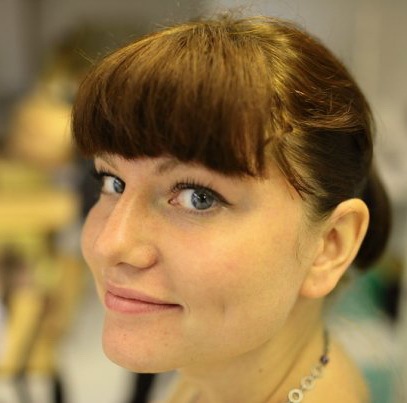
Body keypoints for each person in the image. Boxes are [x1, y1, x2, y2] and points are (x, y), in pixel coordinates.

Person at [71, 14, 391, 403]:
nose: (109, 244)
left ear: (329, 246)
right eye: (113, 182)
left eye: (198, 197)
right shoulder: (215, 374)